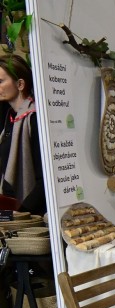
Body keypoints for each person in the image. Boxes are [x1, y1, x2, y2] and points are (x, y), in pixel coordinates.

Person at [0, 54, 45, 215]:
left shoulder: (34, 119)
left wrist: (22, 212)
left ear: (20, 84)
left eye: (0, 81)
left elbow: (43, 179)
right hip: (10, 211)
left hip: (29, 216)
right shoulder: (10, 118)